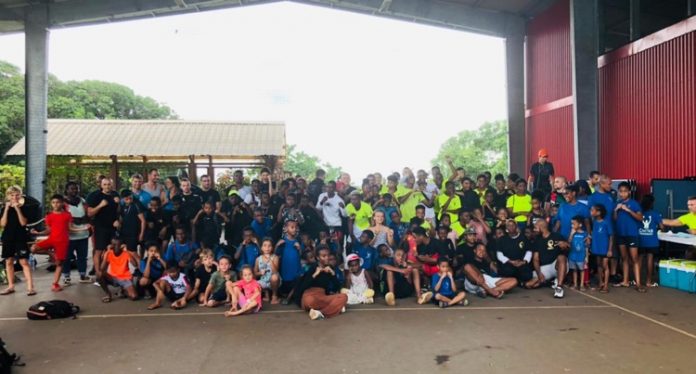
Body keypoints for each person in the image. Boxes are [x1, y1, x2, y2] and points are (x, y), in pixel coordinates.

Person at [30, 194, 80, 292]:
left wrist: (83, 228)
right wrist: (39, 233)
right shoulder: (49, 216)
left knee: (59, 263)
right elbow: (48, 230)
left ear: (62, 203)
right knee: (33, 248)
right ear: (51, 204)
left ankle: (55, 284)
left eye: (57, 202)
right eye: (53, 203)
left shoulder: (67, 215)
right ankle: (51, 254)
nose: (55, 204)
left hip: (63, 241)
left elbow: (70, 228)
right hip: (52, 239)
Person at [295, 246, 348, 320]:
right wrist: (315, 274)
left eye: (328, 255)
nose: (327, 258)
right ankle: (333, 309)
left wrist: (333, 274)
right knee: (310, 301)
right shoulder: (312, 267)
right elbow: (303, 286)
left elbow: (337, 287)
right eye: (324, 256)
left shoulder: (330, 268)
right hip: (309, 296)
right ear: (318, 257)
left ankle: (320, 313)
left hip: (322, 296)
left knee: (344, 297)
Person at [1, 186, 34, 296]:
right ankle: (11, 286)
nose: (14, 197)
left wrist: (17, 208)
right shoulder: (4, 208)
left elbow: (23, 223)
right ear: (8, 196)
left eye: (17, 195)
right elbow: (3, 224)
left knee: (24, 261)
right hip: (8, 237)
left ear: (20, 195)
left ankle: (30, 288)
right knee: (9, 261)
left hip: (20, 237)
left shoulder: (25, 207)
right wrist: (6, 209)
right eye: (12, 195)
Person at [87, 177, 120, 284]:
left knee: (111, 251)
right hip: (101, 227)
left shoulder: (116, 195)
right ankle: (98, 274)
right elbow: (90, 213)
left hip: (113, 228)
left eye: (109, 184)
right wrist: (100, 205)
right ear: (101, 185)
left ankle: (104, 273)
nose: (107, 186)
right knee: (99, 251)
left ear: (112, 185)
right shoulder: (95, 196)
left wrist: (118, 204)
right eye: (105, 184)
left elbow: (120, 211)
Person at [613, 182, 644, 291]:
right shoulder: (618, 203)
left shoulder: (634, 203)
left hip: (632, 234)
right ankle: (625, 281)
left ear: (629, 192)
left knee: (634, 259)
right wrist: (616, 210)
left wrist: (628, 210)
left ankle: (638, 283)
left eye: (625, 191)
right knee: (624, 258)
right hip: (621, 234)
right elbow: (615, 219)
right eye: (620, 191)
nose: (622, 194)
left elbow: (640, 218)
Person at [532, 219, 569, 298]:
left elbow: (569, 247)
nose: (534, 230)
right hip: (545, 268)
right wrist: (539, 274)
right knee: (530, 284)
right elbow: (535, 259)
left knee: (561, 257)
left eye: (535, 228)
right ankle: (551, 281)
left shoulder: (557, 236)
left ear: (541, 228)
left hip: (557, 266)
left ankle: (559, 287)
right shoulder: (537, 240)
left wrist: (565, 245)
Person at [63, 182, 92, 284]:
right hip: (69, 235)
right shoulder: (63, 203)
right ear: (67, 190)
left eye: (76, 188)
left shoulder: (82, 201)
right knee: (66, 257)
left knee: (82, 256)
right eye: (72, 189)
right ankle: (66, 277)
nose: (74, 190)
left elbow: (87, 215)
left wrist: (88, 224)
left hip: (83, 233)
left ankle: (83, 275)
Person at [496, 220, 536, 288]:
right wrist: (510, 261)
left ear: (516, 227)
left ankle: (518, 282)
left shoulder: (523, 238)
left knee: (528, 275)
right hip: (508, 263)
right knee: (506, 272)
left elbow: (529, 251)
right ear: (506, 228)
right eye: (508, 225)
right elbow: (499, 254)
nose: (511, 227)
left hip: (521, 263)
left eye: (512, 225)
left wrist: (524, 261)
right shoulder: (502, 239)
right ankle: (515, 282)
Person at [98, 237, 139, 303]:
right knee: (99, 274)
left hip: (125, 278)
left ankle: (123, 290)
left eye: (115, 245)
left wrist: (127, 251)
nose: (113, 246)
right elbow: (102, 269)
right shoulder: (109, 253)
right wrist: (106, 254)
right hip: (113, 277)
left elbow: (135, 264)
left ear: (121, 246)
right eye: (112, 244)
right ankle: (108, 294)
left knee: (134, 297)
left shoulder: (125, 253)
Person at [638, 195, 662, 288]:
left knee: (639, 260)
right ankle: (648, 282)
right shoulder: (655, 214)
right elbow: (662, 226)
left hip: (640, 240)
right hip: (652, 241)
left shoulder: (639, 213)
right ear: (652, 203)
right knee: (650, 259)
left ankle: (638, 280)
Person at [276, 220, 303, 301]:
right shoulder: (282, 241)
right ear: (286, 228)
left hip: (296, 269)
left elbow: (301, 255)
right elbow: (275, 254)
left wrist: (299, 248)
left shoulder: (298, 241)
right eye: (292, 227)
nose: (294, 229)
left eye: (295, 227)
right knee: (285, 285)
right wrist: (277, 245)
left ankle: (290, 296)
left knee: (296, 282)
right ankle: (287, 295)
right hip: (285, 269)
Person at [590, 204, 613, 293]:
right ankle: (601, 282)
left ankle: (606, 285)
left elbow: (611, 236)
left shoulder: (606, 222)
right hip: (597, 247)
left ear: (598, 212)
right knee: (599, 265)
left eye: (593, 210)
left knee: (605, 266)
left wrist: (610, 249)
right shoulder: (595, 222)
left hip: (604, 248)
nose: (591, 212)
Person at [117, 189, 145, 255]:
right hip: (124, 233)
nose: (129, 199)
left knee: (133, 253)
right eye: (126, 198)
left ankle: (141, 265)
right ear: (123, 198)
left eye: (130, 197)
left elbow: (143, 221)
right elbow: (121, 219)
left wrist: (141, 234)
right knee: (126, 252)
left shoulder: (136, 205)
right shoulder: (122, 206)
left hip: (133, 234)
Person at [255, 238, 281, 304]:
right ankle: (266, 295)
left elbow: (275, 271)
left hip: (274, 281)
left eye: (269, 246)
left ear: (272, 248)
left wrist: (270, 260)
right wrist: (260, 273)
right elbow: (255, 273)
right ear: (261, 248)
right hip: (263, 281)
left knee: (274, 277)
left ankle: (274, 297)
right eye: (265, 245)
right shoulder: (258, 259)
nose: (267, 248)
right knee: (254, 284)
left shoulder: (275, 257)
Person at [568, 216, 589, 291]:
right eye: (571, 224)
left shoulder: (585, 234)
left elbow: (587, 246)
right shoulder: (573, 233)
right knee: (574, 270)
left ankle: (582, 284)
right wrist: (571, 234)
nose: (572, 226)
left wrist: (586, 257)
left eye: (574, 224)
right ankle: (575, 284)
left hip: (581, 255)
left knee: (582, 270)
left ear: (580, 225)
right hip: (573, 254)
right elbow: (569, 242)